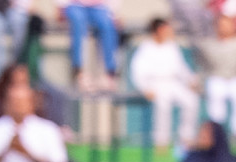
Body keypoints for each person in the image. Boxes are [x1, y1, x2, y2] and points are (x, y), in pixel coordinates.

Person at [131, 17, 201, 153]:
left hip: (173, 82)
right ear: (157, 30)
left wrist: (191, 80)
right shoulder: (145, 48)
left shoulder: (172, 46)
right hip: (155, 84)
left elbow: (181, 67)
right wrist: (145, 88)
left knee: (191, 101)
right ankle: (161, 142)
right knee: (163, 106)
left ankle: (186, 139)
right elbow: (137, 72)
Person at [62, 0, 120, 91]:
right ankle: (80, 71)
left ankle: (109, 73)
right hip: (75, 5)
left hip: (99, 7)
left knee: (108, 25)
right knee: (78, 22)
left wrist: (114, 13)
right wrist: (60, 7)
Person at [199, 15, 236, 133]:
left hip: (234, 78)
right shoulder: (209, 44)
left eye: (227, 25)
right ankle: (218, 133)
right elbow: (205, 66)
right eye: (221, 25)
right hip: (217, 78)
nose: (224, 28)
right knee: (215, 91)